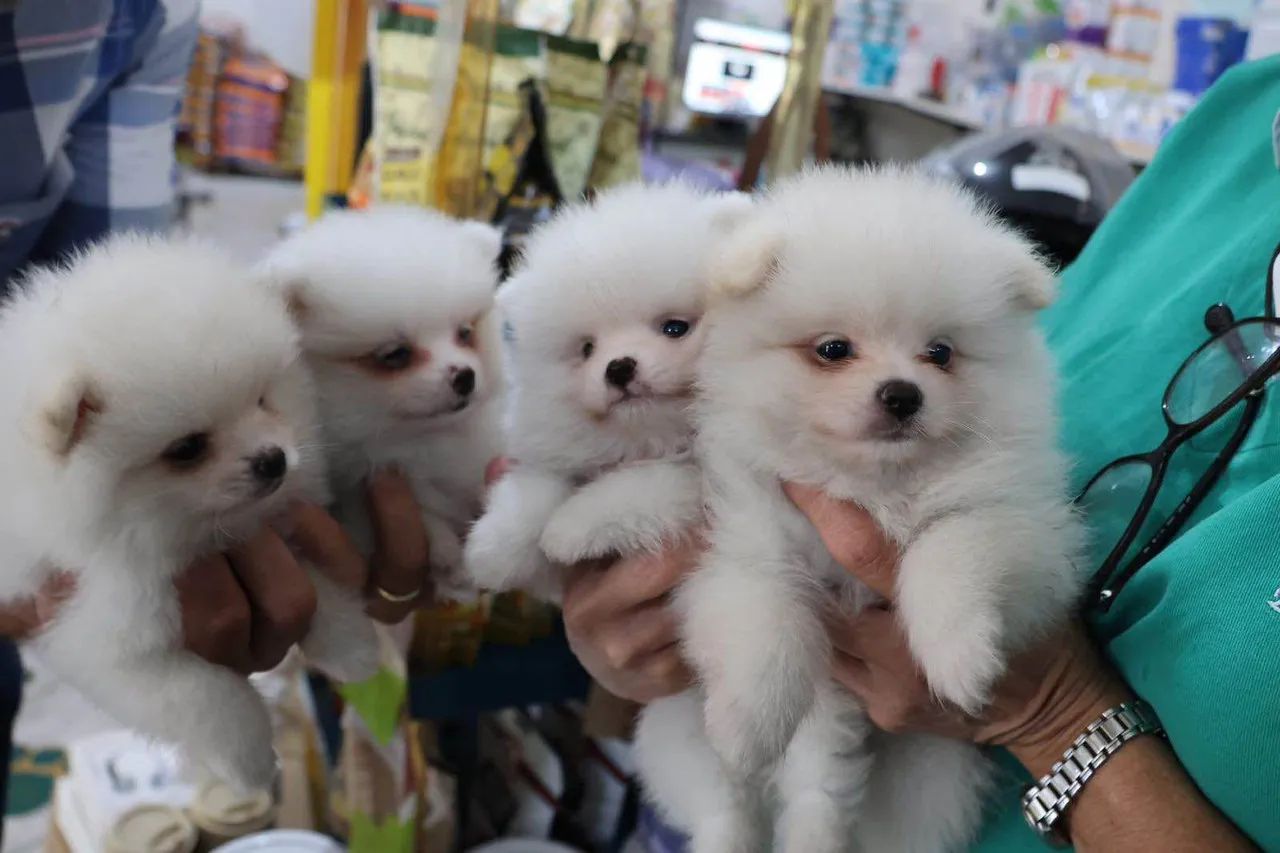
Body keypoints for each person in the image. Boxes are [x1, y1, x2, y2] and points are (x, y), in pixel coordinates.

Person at [560, 56, 1280, 850]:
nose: (899, 384)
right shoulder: (1243, 114)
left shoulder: (984, 436)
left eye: (938, 354)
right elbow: (739, 580)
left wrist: (1044, 707)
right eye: (833, 349)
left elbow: (1016, 535)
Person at [0, 0, 432, 837]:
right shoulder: (66, 462)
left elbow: (116, 295)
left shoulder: (131, 14)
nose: (268, 450)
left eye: (263, 401)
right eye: (190, 448)